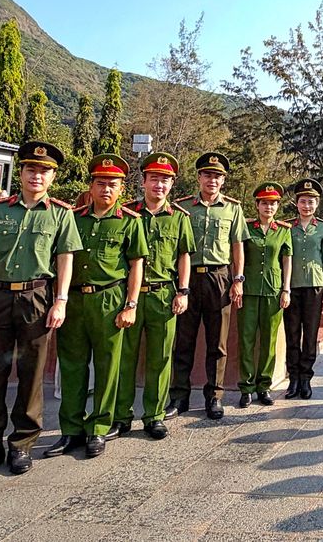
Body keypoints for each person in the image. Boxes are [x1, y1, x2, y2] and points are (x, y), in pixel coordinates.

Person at [0, 142, 81, 479]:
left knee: (30, 374)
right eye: (31, 169)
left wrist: (61, 300)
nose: (36, 175)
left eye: (43, 171)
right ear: (21, 173)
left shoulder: (60, 213)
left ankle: (22, 445)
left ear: (53, 177)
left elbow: (65, 258)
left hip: (37, 298)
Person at [45, 155, 147, 460]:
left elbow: (136, 266)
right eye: (100, 183)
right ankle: (70, 430)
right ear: (90, 186)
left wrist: (130, 305)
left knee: (107, 367)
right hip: (74, 300)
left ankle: (99, 427)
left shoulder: (129, 221)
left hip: (109, 300)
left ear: (121, 190)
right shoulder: (72, 218)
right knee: (73, 366)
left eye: (112, 185)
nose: (106, 189)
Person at [112, 152, 194, 440]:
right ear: (144, 181)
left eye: (166, 180)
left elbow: (184, 256)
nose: (160, 185)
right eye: (155, 179)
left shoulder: (179, 218)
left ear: (172, 184)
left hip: (163, 294)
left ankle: (154, 415)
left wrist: (182, 291)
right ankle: (120, 415)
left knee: (160, 359)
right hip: (129, 297)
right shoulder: (127, 213)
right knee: (125, 358)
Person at [168, 152, 250, 420]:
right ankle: (178, 396)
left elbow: (237, 246)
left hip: (219, 278)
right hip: (188, 278)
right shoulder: (183, 208)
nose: (212, 180)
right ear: (199, 177)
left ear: (223, 180)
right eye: (207, 175)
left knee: (218, 342)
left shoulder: (232, 208)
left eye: (217, 176)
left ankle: (214, 397)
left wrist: (237, 279)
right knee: (184, 340)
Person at [238, 182, 292, 407]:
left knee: (269, 340)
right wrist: (237, 283)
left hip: (273, 289)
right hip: (249, 290)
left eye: (273, 204)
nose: (268, 207)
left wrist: (286, 289)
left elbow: (287, 260)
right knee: (247, 339)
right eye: (264, 203)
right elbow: (238, 256)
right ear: (257, 205)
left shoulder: (283, 231)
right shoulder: (246, 228)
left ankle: (264, 385)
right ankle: (246, 387)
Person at [283, 178, 323, 400]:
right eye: (303, 201)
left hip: (315, 285)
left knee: (310, 334)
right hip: (292, 285)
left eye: (311, 202)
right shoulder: (286, 228)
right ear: (297, 203)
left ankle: (306, 378)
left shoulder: (322, 228)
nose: (307, 206)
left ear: (317, 204)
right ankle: (293, 378)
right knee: (292, 333)